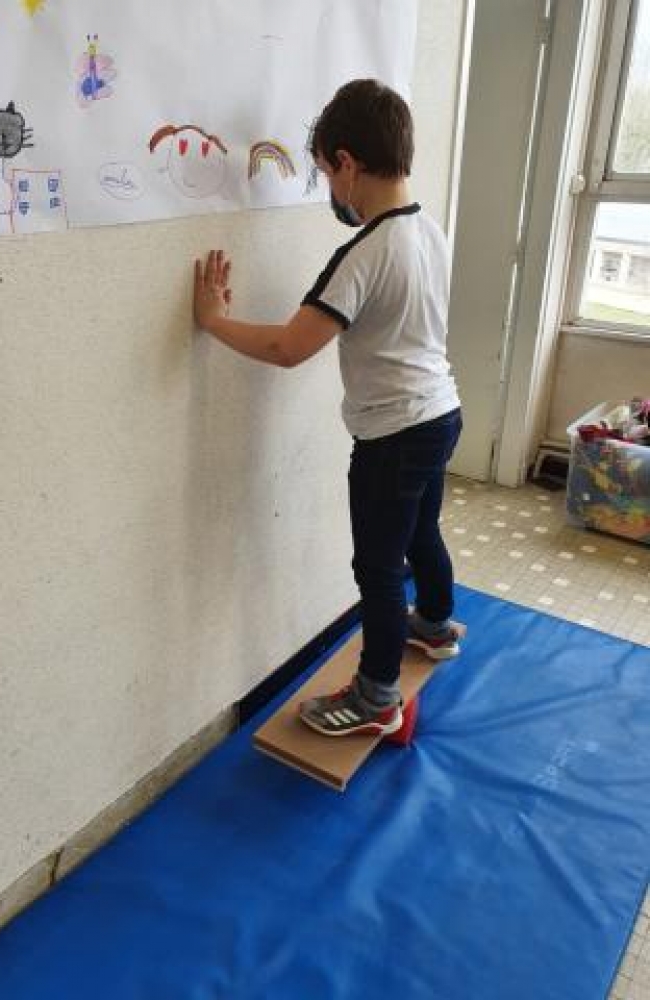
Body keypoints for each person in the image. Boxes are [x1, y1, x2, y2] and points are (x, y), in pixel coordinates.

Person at [193, 79, 462, 739]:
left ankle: (376, 698)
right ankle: (434, 625)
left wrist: (214, 320)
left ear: (347, 163)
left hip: (394, 435)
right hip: (441, 414)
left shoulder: (363, 253)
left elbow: (289, 348)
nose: (330, 191)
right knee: (421, 531)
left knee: (378, 566)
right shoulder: (429, 230)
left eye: (324, 174)